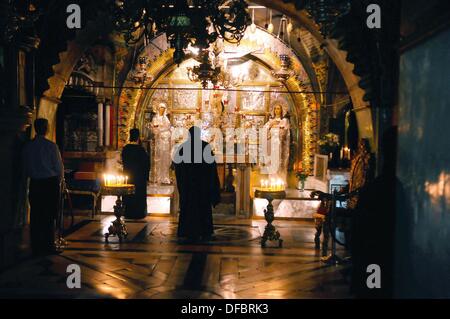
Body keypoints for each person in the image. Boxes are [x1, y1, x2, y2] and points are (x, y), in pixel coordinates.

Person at [22, 118, 64, 256]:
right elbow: (58, 167)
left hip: (35, 183)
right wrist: (60, 182)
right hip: (49, 184)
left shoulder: (28, 146)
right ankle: (48, 245)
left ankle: (36, 246)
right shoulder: (51, 146)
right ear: (46, 128)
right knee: (49, 215)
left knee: (36, 215)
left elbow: (25, 167)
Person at [173, 126, 221, 242]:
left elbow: (177, 167)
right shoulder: (205, 146)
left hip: (188, 186)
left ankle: (186, 230)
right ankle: (204, 230)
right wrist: (212, 185)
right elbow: (211, 168)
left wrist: (183, 183)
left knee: (188, 208)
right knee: (203, 208)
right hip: (202, 186)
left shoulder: (183, 148)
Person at [122, 128, 150, 219]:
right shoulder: (141, 150)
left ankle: (128, 212)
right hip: (139, 178)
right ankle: (138, 213)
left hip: (128, 176)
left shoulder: (125, 149)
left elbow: (123, 162)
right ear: (138, 137)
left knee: (129, 194)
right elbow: (146, 164)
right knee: (138, 195)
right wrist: (146, 177)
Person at [263, 103, 290, 183]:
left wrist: (275, 128)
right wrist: (271, 125)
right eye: (275, 109)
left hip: (278, 144)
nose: (276, 110)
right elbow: (265, 130)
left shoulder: (284, 120)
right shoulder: (270, 121)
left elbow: (284, 132)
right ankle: (271, 180)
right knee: (271, 161)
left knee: (278, 161)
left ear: (281, 110)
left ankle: (278, 180)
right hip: (271, 144)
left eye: (278, 108)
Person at [149, 102, 172, 184]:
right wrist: (159, 130)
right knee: (158, 160)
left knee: (165, 160)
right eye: (161, 108)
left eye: (163, 108)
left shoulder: (166, 119)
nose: (162, 109)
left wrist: (164, 132)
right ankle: (157, 177)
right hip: (158, 141)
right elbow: (154, 129)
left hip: (165, 142)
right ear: (158, 109)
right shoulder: (155, 118)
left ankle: (165, 177)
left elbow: (169, 129)